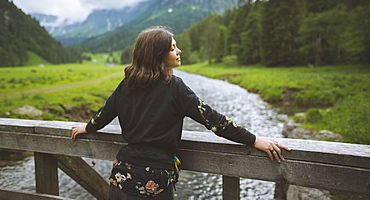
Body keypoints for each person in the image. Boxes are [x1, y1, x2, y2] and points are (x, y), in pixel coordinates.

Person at [71, 26, 290, 199]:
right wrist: (253, 140)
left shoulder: (127, 84)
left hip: (120, 179)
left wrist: (87, 127)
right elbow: (214, 121)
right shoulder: (174, 86)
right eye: (173, 47)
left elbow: (103, 115)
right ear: (158, 54)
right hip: (153, 183)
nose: (179, 51)